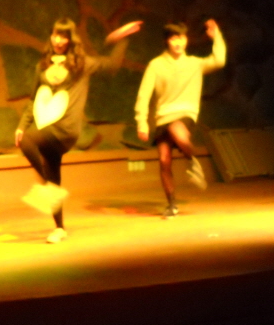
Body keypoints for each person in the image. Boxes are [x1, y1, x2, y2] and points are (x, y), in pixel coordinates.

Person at [16, 17, 142, 243]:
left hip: (66, 128)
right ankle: (59, 228)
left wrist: (121, 40)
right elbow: (34, 98)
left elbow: (111, 65)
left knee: (28, 141)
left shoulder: (81, 64)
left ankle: (47, 189)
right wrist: (21, 125)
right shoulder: (42, 66)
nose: (58, 40)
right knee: (51, 171)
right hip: (47, 124)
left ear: (70, 39)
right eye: (55, 35)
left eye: (63, 36)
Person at [134, 19, 226, 219]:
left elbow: (219, 60)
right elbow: (144, 94)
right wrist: (142, 121)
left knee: (177, 129)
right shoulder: (156, 65)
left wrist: (216, 35)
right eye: (173, 38)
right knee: (164, 161)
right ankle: (172, 205)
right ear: (166, 41)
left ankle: (192, 160)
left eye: (181, 38)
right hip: (162, 117)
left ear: (186, 40)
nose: (178, 42)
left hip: (185, 113)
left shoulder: (194, 64)